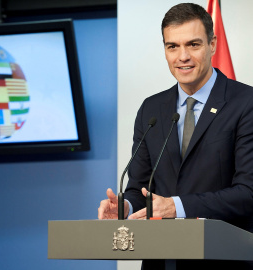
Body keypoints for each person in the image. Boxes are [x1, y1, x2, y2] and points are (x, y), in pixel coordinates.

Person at [98, 3, 253, 269]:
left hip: (227, 260)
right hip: (162, 260)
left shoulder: (246, 102)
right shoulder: (151, 109)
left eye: (193, 44)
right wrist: (126, 207)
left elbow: (248, 193)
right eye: (172, 47)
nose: (183, 56)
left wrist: (177, 207)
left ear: (212, 45)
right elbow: (141, 188)